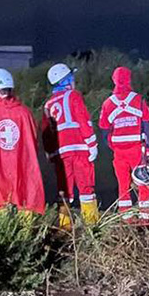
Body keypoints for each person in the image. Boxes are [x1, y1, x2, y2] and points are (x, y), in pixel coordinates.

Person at [0, 68, 46, 215]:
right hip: (21, 165)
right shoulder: (24, 112)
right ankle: (27, 235)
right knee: (25, 197)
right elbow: (33, 138)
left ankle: (4, 233)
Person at [41, 63, 99, 228]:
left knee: (64, 191)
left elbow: (46, 132)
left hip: (61, 153)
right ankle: (92, 226)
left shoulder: (48, 105)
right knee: (86, 188)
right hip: (79, 149)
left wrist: (50, 153)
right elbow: (83, 119)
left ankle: (65, 227)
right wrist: (92, 143)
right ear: (67, 80)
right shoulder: (73, 96)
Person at [99, 66, 149, 223]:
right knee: (143, 182)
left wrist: (111, 145)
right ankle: (145, 217)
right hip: (137, 148)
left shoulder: (108, 104)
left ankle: (127, 217)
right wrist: (148, 147)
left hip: (119, 151)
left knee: (123, 185)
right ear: (129, 79)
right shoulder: (138, 100)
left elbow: (104, 130)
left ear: (114, 80)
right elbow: (147, 123)